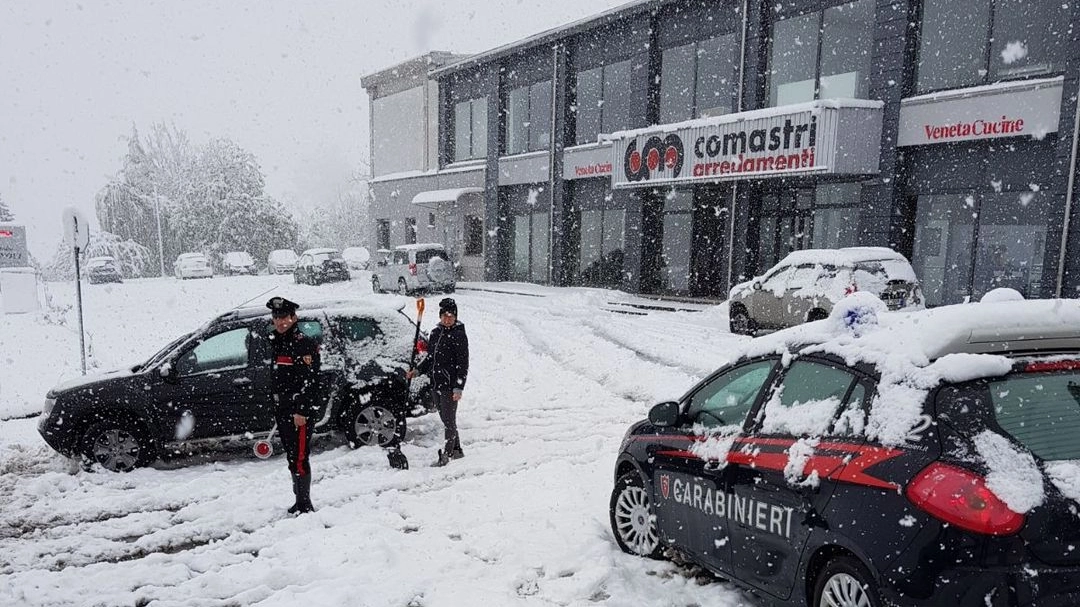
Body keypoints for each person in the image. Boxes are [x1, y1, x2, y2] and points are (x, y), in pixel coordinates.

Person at [267, 296, 321, 514]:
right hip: (283, 408)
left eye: (284, 318)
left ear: (294, 317)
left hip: (299, 411)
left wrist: (302, 411)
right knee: (291, 455)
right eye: (276, 318)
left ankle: (305, 504)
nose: (280, 322)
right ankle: (298, 500)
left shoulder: (303, 344)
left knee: (299, 457)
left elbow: (309, 381)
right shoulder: (276, 342)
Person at [407, 297, 469, 467]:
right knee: (446, 419)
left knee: (449, 421)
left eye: (451, 316)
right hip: (435, 383)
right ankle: (457, 450)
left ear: (455, 317)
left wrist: (458, 387)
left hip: (450, 385)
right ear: (440, 316)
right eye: (445, 316)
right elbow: (431, 358)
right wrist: (417, 371)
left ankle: (447, 455)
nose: (447, 319)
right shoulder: (436, 333)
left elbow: (463, 364)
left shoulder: (459, 335)